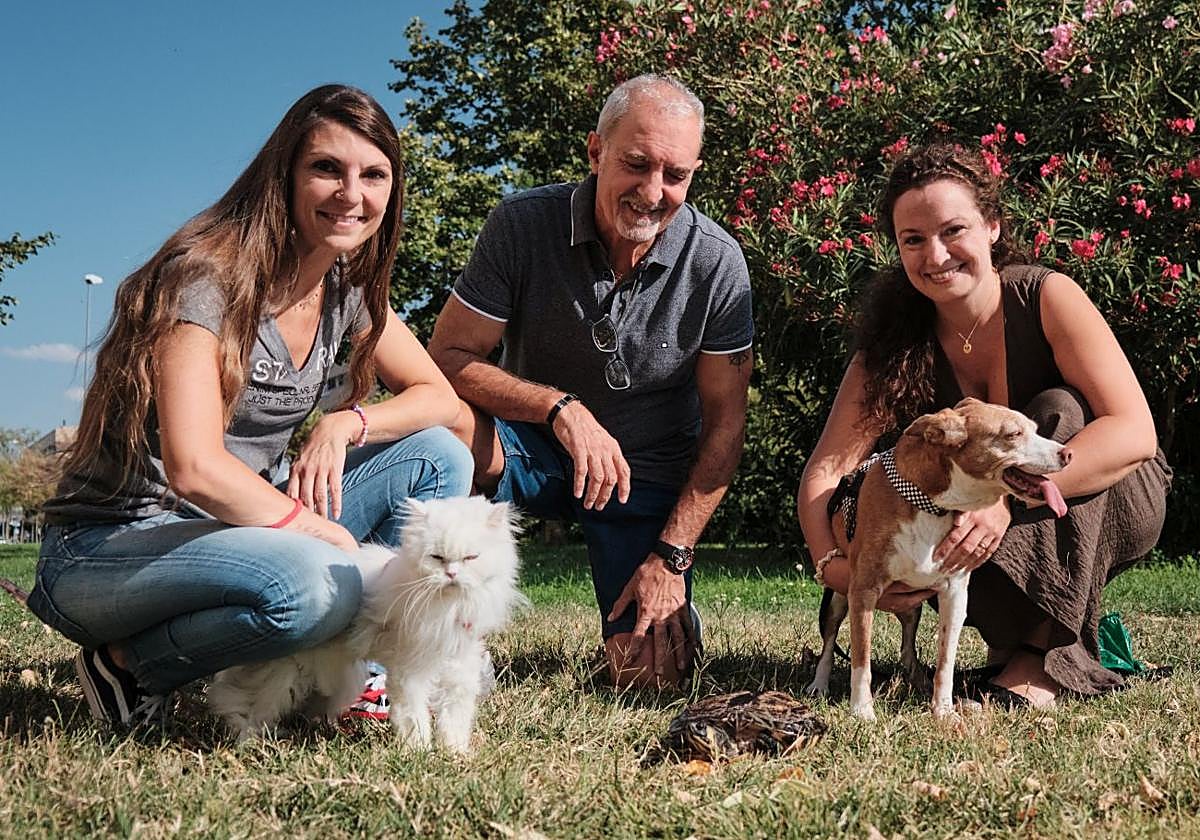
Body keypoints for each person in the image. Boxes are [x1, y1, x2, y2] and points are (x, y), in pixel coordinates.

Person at [27, 85, 474, 726]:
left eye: (373, 175)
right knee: (315, 586)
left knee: (438, 457)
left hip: (236, 528)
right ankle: (129, 666)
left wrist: (346, 422)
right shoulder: (206, 276)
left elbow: (440, 399)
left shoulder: (345, 287)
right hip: (113, 547)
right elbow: (194, 468)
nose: (352, 194)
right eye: (327, 168)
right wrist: (316, 530)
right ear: (284, 175)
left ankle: (352, 668)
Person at [797, 143, 1171, 708]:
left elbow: (1135, 432)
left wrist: (1006, 500)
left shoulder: (1045, 296)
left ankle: (1037, 663)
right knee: (933, 502)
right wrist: (834, 566)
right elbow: (828, 469)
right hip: (964, 530)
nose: (936, 254)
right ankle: (1011, 645)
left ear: (992, 225)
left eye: (954, 230)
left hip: (1112, 492)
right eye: (913, 240)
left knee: (1059, 410)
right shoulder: (893, 342)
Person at [427, 74, 754, 689]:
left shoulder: (717, 261)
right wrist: (559, 408)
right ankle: (423, 629)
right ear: (596, 151)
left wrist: (672, 556)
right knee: (436, 433)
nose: (653, 192)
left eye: (675, 175)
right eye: (636, 164)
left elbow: (726, 425)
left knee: (649, 678)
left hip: (647, 474)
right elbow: (445, 357)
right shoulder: (522, 223)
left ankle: (657, 615)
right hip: (531, 447)